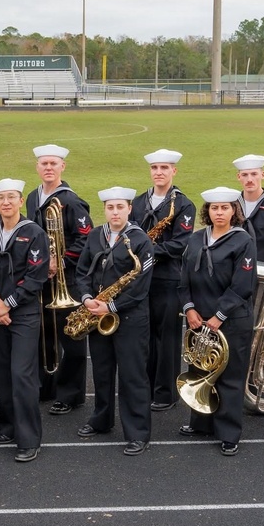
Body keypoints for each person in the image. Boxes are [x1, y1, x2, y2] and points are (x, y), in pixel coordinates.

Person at [73, 187, 155, 456]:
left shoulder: (140, 240)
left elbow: (141, 287)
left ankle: (137, 432)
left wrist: (110, 305)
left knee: (133, 376)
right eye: (110, 207)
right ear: (105, 210)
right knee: (102, 371)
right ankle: (101, 420)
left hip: (129, 317)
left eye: (120, 207)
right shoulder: (96, 234)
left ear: (130, 209)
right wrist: (86, 299)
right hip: (98, 315)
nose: (115, 212)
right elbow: (83, 270)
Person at [178, 187, 257, 456]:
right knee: (200, 369)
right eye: (214, 208)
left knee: (230, 378)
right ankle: (200, 423)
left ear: (234, 211)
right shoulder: (195, 239)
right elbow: (183, 279)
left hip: (231, 320)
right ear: (207, 211)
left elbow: (243, 284)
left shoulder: (242, 240)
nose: (219, 212)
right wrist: (189, 309)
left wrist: (219, 316)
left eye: (225, 208)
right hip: (199, 320)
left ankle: (229, 433)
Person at [0, 179, 49, 463]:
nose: (6, 203)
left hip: (23, 314)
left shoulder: (34, 233)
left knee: (22, 375)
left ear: (21, 202)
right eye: (0, 199)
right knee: (2, 373)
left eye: (11, 198)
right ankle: (8, 428)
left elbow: (36, 276)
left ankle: (29, 438)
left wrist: (7, 304)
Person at [24, 144, 92, 415]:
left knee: (72, 339)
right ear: (37, 168)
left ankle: (71, 394)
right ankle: (46, 386)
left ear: (62, 167)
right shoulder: (32, 197)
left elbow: (86, 237)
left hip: (69, 281)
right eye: (44, 164)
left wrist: (60, 261)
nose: (48, 168)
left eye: (54, 164)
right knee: (44, 337)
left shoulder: (71, 200)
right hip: (41, 280)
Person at [130, 148, 196, 412]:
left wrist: (147, 252)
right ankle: (144, 386)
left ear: (174, 171)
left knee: (166, 337)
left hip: (168, 278)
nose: (159, 172)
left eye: (164, 168)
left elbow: (182, 243)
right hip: (140, 278)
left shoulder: (184, 204)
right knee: (143, 336)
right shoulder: (137, 202)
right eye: (155, 168)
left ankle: (166, 392)